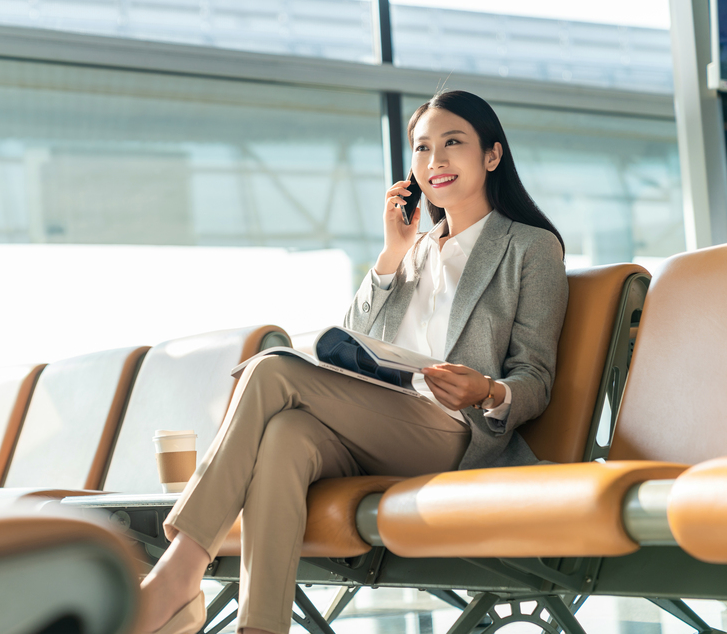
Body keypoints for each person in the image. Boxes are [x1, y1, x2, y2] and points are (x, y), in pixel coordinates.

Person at [136, 90, 569, 634]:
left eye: (452, 143)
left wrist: (486, 391)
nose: (434, 161)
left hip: (454, 436)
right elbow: (353, 346)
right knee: (286, 435)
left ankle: (179, 576)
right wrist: (390, 256)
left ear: (492, 155)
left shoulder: (530, 248)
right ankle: (261, 627)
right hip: (382, 427)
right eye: (422, 148)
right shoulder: (411, 252)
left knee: (271, 368)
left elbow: (536, 378)